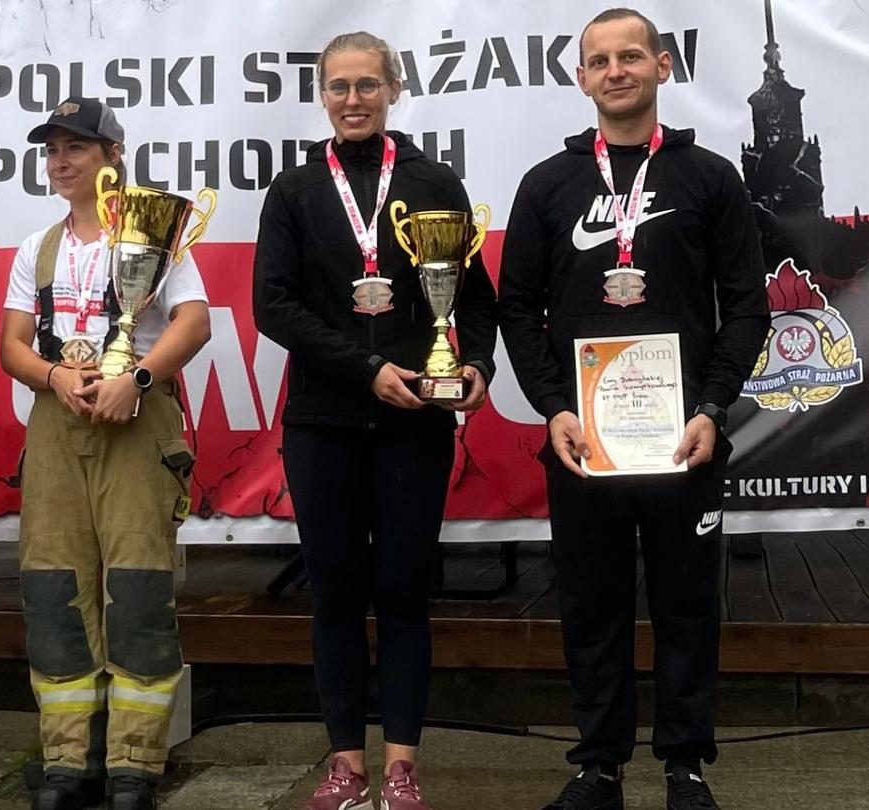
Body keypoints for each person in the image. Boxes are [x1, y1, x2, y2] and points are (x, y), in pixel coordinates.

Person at [499, 9, 765, 810]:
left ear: (661, 67)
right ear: (580, 77)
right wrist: (551, 408)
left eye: (630, 57)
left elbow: (746, 306)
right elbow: (518, 308)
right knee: (591, 600)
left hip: (685, 436)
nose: (616, 71)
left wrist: (714, 405)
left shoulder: (710, 177)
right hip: (585, 442)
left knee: (688, 601)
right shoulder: (548, 184)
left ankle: (685, 767)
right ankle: (599, 768)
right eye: (599, 61)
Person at [253, 32, 497, 810]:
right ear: (321, 96)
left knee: (400, 591)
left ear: (394, 88)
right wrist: (364, 369)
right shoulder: (293, 191)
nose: (352, 100)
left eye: (367, 85)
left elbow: (476, 294)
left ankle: (401, 764)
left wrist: (476, 367)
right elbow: (273, 306)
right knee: (333, 592)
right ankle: (345, 765)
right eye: (337, 87)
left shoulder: (434, 182)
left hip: (413, 424)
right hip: (323, 420)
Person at [0, 98, 210, 810]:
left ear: (112, 154)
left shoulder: (154, 229)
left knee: (139, 594)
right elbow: (12, 345)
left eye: (76, 148)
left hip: (138, 426)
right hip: (59, 428)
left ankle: (134, 766)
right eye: (52, 150)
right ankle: (68, 763)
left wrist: (138, 379)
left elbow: (194, 322)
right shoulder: (39, 248)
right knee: (56, 593)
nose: (60, 162)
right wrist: (56, 376)